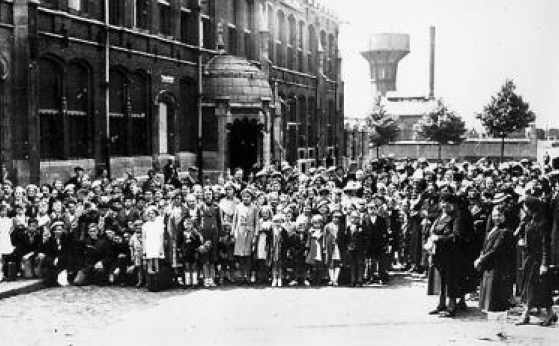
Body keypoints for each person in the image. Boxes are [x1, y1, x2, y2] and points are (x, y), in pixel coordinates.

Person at [515, 196, 557, 326]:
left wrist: (544, 263)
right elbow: (518, 235)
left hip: (537, 260)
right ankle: (550, 313)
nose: (523, 209)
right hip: (529, 258)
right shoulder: (529, 220)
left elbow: (545, 245)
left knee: (532, 286)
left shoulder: (542, 223)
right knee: (538, 287)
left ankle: (526, 314)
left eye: (525, 206)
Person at [232, 188, 258, 285]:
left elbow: (257, 222)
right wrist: (233, 232)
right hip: (240, 233)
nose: (246, 198)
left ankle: (248, 276)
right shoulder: (238, 207)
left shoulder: (254, 208)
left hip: (250, 233)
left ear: (251, 198)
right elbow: (235, 220)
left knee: (248, 256)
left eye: (248, 197)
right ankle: (242, 276)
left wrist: (255, 235)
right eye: (244, 197)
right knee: (241, 257)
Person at [179, 216, 202, 288]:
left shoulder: (195, 233)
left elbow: (198, 243)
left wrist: (192, 242)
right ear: (184, 225)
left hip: (194, 252)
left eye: (189, 224)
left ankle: (194, 282)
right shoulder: (182, 233)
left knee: (194, 267)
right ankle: (187, 282)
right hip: (185, 253)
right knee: (187, 267)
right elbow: (179, 243)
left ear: (192, 225)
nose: (188, 225)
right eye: (186, 224)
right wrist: (180, 250)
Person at [324, 209, 343, 286]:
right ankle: (332, 279)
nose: (336, 219)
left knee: (338, 262)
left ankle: (336, 279)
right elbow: (325, 237)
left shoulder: (341, 226)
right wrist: (324, 247)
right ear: (332, 217)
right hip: (329, 246)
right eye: (334, 217)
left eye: (338, 218)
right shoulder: (327, 226)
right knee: (330, 262)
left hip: (338, 246)